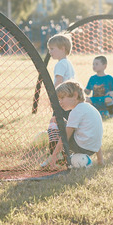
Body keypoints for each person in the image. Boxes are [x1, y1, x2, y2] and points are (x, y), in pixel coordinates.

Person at [46, 80, 104, 167]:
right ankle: (66, 157)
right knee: (60, 122)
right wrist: (100, 160)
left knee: (54, 124)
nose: (60, 102)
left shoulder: (76, 111)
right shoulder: (90, 108)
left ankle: (57, 158)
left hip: (81, 147)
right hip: (92, 149)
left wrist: (53, 157)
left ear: (75, 95)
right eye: (59, 99)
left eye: (62, 98)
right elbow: (95, 135)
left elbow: (65, 136)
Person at [45, 33, 75, 164]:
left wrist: (54, 98)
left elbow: (59, 81)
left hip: (62, 100)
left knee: (55, 124)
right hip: (70, 101)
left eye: (52, 49)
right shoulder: (68, 63)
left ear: (62, 48)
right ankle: (67, 151)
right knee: (67, 125)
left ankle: (55, 153)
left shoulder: (60, 64)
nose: (49, 52)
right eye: (49, 49)